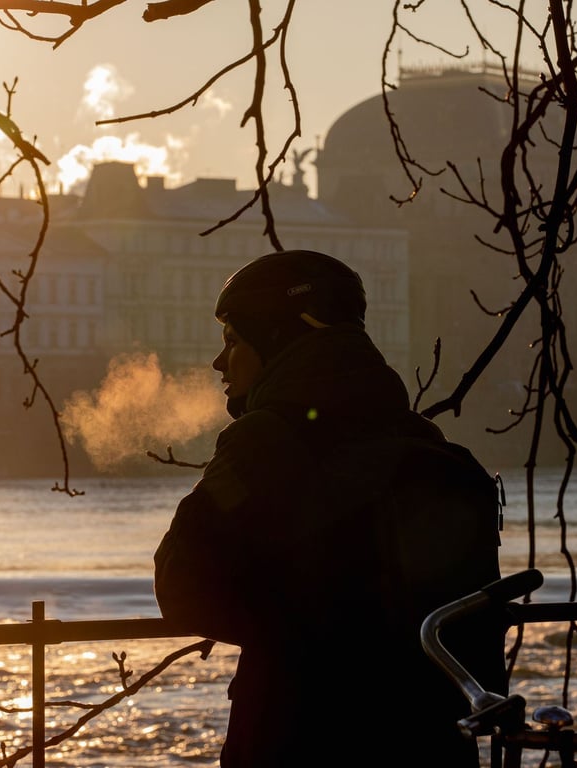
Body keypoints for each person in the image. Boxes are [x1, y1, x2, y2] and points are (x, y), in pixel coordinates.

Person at [153, 249, 506, 766]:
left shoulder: (262, 441)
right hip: (430, 739)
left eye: (232, 339)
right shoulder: (422, 440)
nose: (219, 361)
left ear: (279, 337)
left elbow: (182, 586)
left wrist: (292, 633)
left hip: (302, 733)